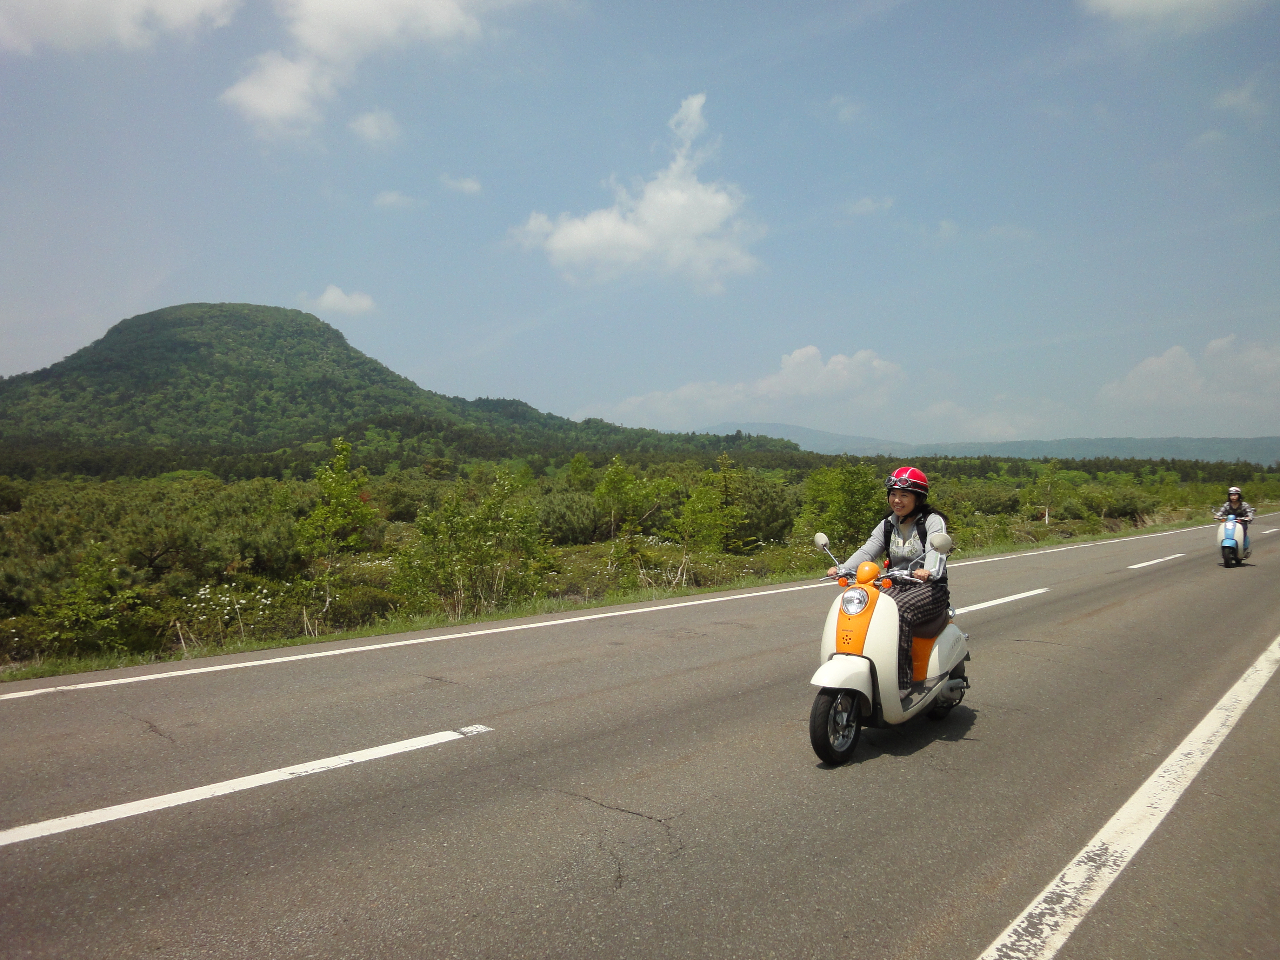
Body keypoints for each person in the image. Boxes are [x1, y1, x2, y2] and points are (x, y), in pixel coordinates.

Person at [826, 466, 950, 700]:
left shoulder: (932, 522)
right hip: (894, 584)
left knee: (897, 612)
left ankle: (901, 683)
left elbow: (937, 551)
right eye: (893, 494)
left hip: (930, 588)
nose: (897, 500)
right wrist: (842, 568)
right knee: (864, 607)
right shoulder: (888, 524)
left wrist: (929, 571)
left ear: (918, 498)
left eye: (904, 495)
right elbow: (868, 551)